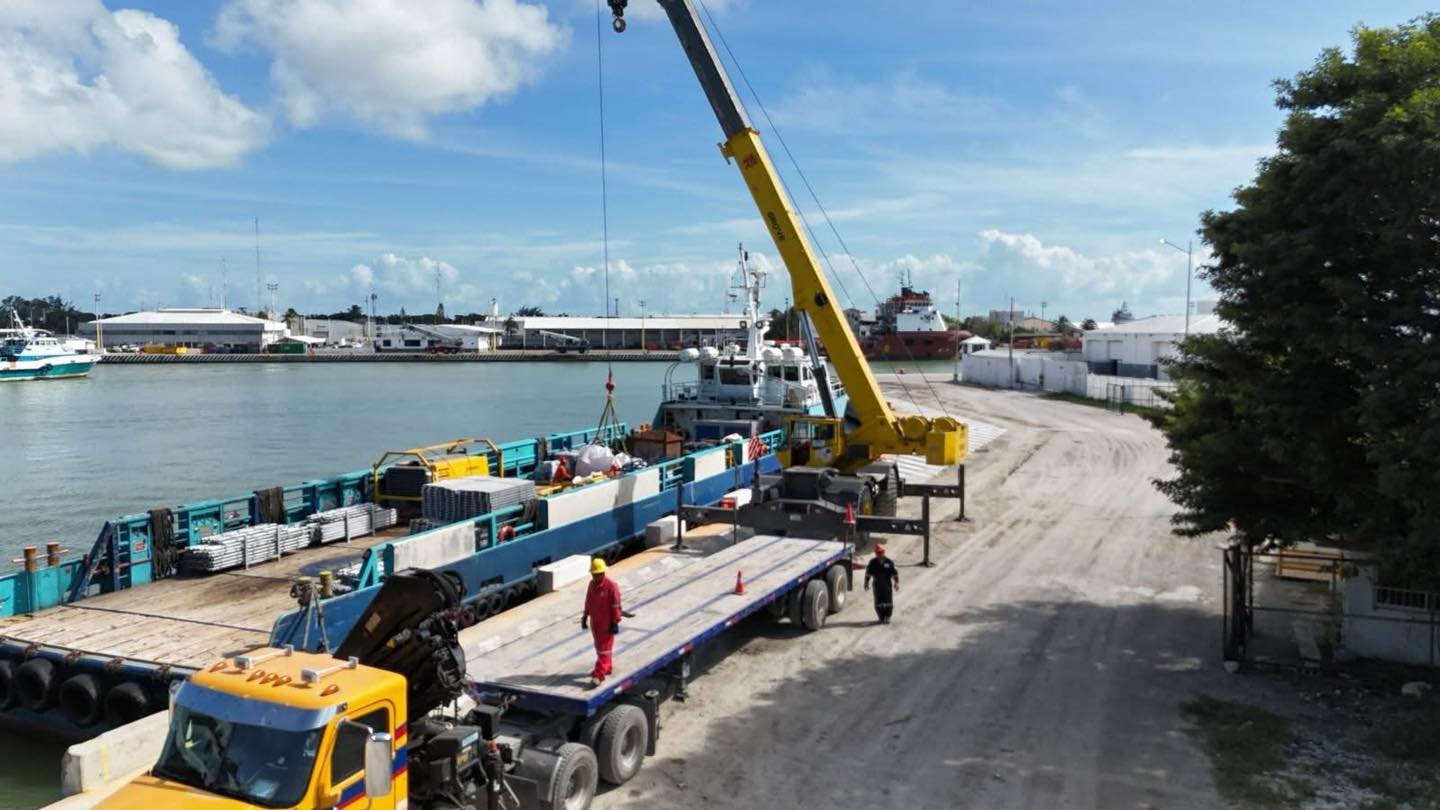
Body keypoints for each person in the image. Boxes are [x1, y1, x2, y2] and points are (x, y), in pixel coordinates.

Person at [581, 557, 623, 687]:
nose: (596, 577)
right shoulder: (591, 585)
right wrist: (585, 617)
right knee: (600, 648)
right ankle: (607, 667)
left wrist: (615, 622)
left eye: (598, 574)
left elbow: (616, 605)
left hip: (606, 623)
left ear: (603, 573)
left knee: (604, 649)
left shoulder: (611, 586)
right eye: (594, 574)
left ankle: (599, 675)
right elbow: (588, 601)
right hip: (596, 622)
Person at [863, 543, 900, 624]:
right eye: (878, 553)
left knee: (888, 602)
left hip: (887, 585)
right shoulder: (872, 563)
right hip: (877, 585)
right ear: (875, 553)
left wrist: (896, 583)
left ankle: (888, 616)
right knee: (878, 602)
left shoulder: (889, 562)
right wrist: (866, 582)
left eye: (881, 552)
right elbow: (868, 573)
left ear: (884, 552)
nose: (879, 554)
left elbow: (894, 573)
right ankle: (881, 616)